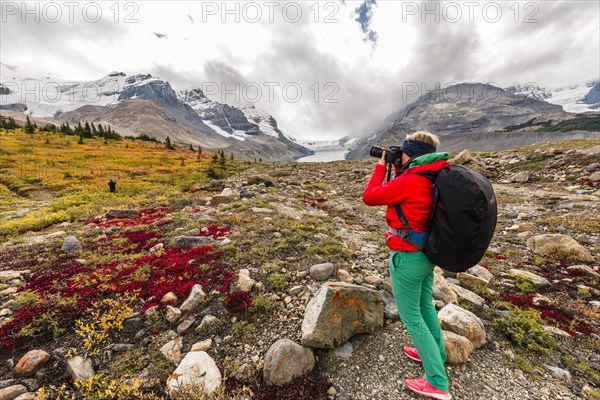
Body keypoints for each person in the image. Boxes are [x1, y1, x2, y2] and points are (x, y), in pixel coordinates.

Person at [362, 131, 452, 400]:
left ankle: (437, 382)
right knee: (425, 306)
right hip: (427, 253)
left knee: (411, 317)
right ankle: (438, 353)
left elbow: (370, 197)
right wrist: (399, 166)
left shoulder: (411, 180)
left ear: (410, 154)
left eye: (400, 152)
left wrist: (381, 167)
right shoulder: (432, 174)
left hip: (407, 256)